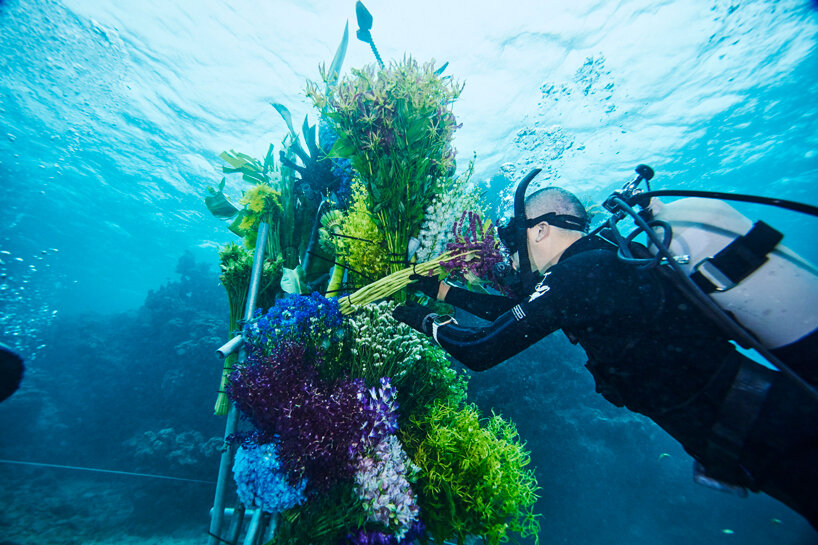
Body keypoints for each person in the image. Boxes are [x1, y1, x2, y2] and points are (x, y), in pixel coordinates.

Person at [392, 185, 818, 531]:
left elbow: (481, 350)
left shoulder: (576, 276)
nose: (512, 256)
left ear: (540, 230)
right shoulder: (599, 264)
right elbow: (514, 312)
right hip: (764, 427)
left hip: (777, 434)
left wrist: (419, 318)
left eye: (513, 240)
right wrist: (437, 290)